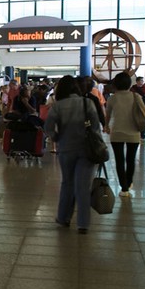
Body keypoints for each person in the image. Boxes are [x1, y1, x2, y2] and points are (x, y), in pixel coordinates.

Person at [44, 75, 101, 234]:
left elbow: (48, 127)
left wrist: (57, 138)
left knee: (67, 183)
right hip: (86, 149)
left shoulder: (58, 106)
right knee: (83, 187)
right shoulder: (87, 103)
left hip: (66, 149)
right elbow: (95, 127)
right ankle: (83, 224)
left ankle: (63, 218)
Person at [105, 72, 145, 197]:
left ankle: (124, 188)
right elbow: (144, 111)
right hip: (133, 133)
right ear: (129, 84)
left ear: (116, 84)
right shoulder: (136, 96)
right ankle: (128, 183)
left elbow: (108, 115)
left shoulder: (112, 98)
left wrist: (106, 126)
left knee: (119, 160)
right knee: (130, 160)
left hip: (116, 133)